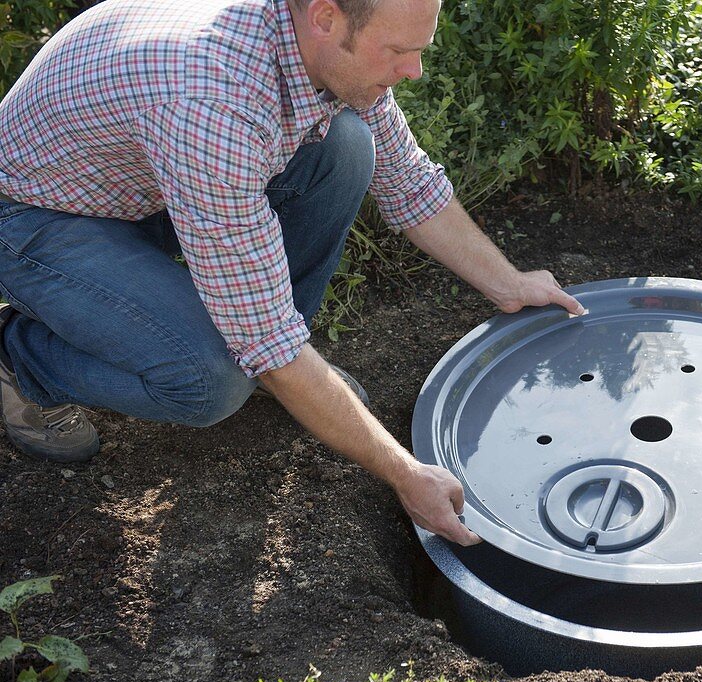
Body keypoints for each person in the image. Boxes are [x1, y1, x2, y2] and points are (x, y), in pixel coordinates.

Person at [0, 0, 585, 546]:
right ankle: (19, 362)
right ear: (326, 18)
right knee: (212, 381)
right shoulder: (215, 104)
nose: (417, 71)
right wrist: (405, 472)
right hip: (38, 216)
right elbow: (265, 340)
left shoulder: (322, 49)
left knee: (348, 145)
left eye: (422, 48)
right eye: (400, 51)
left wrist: (509, 283)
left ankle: (283, 381)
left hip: (137, 180)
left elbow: (408, 182)